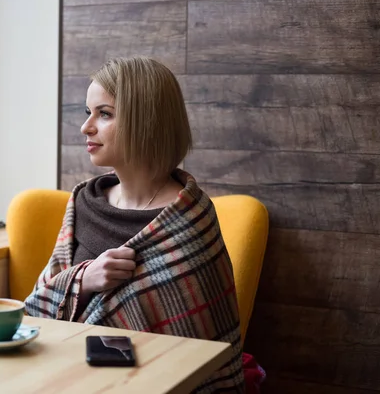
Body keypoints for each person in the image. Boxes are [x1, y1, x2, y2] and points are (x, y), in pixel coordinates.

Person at [24, 56, 245, 393]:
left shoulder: (190, 220)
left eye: (105, 114)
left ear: (146, 121)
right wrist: (85, 280)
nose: (86, 127)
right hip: (64, 377)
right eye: (88, 113)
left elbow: (200, 348)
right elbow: (38, 306)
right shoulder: (85, 202)